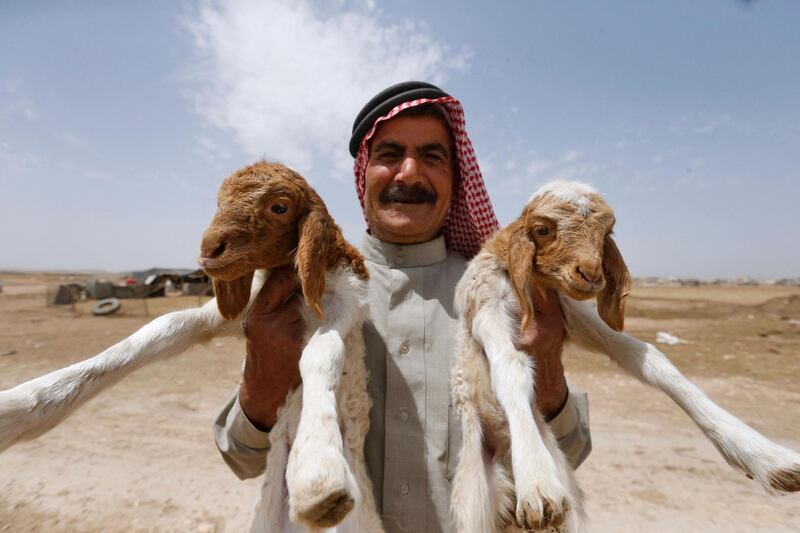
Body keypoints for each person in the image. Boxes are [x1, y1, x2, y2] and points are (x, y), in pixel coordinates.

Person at [214, 82, 591, 533]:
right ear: (364, 173)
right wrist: (264, 374)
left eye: (432, 157)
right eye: (390, 154)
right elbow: (242, 458)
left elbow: (572, 452)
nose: (409, 174)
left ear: (456, 178)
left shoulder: (499, 292)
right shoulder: (308, 288)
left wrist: (544, 366)